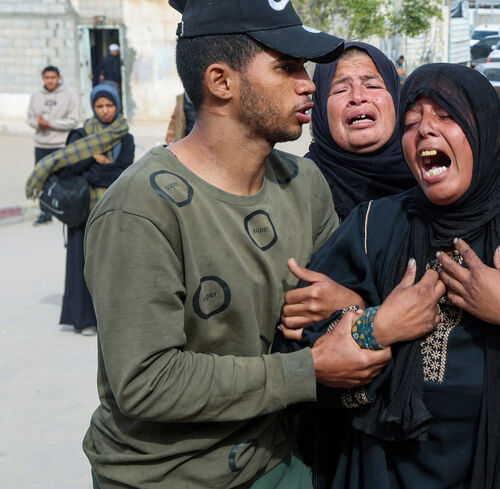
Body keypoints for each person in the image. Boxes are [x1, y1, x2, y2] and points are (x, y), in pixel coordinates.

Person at [275, 63, 500, 489]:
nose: (425, 130)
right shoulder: (374, 227)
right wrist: (371, 324)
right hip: (377, 472)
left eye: (447, 115)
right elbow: (297, 359)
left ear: (486, 131)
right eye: (412, 121)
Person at [79, 1, 392, 487]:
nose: (309, 83)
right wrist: (306, 371)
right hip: (165, 477)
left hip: (276, 459)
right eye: (286, 67)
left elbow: (339, 305)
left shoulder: (302, 182)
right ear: (221, 82)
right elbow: (146, 383)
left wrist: (349, 302)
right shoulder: (141, 209)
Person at [24, 84, 133, 337]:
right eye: (99, 106)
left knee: (113, 266)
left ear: (117, 107)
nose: (105, 111)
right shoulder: (79, 135)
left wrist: (94, 167)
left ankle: (112, 319)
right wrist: (93, 159)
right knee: (80, 265)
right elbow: (68, 170)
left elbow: (124, 171)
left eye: (109, 105)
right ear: (93, 108)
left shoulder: (125, 137)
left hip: (113, 210)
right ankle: (84, 320)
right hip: (83, 211)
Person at [307, 42, 417, 220]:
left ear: (397, 98)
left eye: (373, 86)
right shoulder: (300, 188)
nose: (357, 98)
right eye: (340, 89)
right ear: (320, 109)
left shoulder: (429, 172)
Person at [26, 65, 80, 225]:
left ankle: (67, 211)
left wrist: (51, 124)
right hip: (41, 144)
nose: (50, 80)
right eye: (47, 77)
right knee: (42, 179)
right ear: (43, 79)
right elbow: (29, 117)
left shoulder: (69, 95)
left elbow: (73, 121)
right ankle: (45, 213)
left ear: (59, 78)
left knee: (64, 178)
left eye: (53, 77)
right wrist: (37, 123)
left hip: (61, 144)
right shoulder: (36, 95)